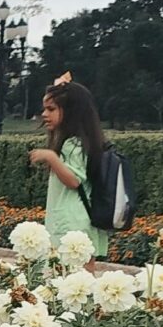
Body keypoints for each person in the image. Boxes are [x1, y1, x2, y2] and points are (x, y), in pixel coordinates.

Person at [32, 75, 110, 260]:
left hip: (73, 222)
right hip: (72, 220)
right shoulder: (77, 143)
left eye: (51, 109)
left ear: (71, 112)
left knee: (77, 276)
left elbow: (73, 180)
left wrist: (51, 157)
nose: (44, 114)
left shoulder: (73, 145)